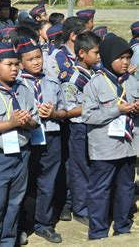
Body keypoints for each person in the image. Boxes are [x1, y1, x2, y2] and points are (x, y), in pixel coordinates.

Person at [0, 42, 39, 246]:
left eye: (16, 64)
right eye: (9, 64)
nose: (15, 68)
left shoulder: (24, 89)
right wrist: (10, 123)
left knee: (14, 202)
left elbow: (36, 122)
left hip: (21, 153)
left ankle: (7, 242)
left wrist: (27, 121)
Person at [82, 35, 139, 240]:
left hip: (128, 145)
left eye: (128, 58)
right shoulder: (95, 84)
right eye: (120, 58)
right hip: (105, 147)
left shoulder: (132, 82)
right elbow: (87, 115)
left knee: (126, 187)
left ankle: (122, 226)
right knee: (100, 189)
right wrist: (117, 110)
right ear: (107, 58)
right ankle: (98, 231)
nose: (125, 62)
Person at [16, 37, 67, 243]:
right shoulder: (16, 83)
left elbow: (65, 110)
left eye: (38, 57)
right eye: (30, 59)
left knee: (48, 181)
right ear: (20, 62)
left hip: (51, 134)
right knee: (23, 183)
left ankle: (43, 223)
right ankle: (20, 225)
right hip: (26, 137)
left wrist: (54, 113)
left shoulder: (52, 80)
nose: (36, 62)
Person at [60, 32, 101, 225]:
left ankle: (92, 205)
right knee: (80, 169)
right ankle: (81, 208)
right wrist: (98, 106)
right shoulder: (73, 78)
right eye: (96, 52)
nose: (99, 56)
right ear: (82, 53)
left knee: (93, 167)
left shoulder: (94, 72)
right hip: (79, 128)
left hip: (94, 125)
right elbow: (69, 109)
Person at [44, 17, 88, 82]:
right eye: (85, 35)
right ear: (73, 36)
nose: (89, 38)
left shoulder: (87, 54)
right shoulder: (56, 57)